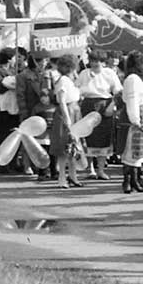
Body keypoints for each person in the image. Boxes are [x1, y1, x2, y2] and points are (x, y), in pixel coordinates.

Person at [76, 50, 122, 180]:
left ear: (103, 62)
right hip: (88, 105)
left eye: (98, 61)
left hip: (104, 104)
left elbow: (118, 91)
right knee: (88, 136)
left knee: (104, 138)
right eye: (93, 61)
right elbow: (77, 89)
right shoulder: (84, 73)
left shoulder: (109, 73)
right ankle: (91, 169)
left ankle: (101, 170)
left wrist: (112, 104)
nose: (95, 64)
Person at [120, 51, 143, 194]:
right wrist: (135, 120)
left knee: (137, 151)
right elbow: (132, 101)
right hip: (134, 117)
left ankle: (134, 179)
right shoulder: (133, 79)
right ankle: (127, 180)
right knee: (131, 150)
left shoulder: (134, 78)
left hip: (140, 115)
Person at [50, 55, 84, 189]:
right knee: (65, 146)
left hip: (74, 109)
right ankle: (62, 177)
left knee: (73, 147)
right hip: (68, 112)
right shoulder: (63, 80)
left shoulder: (69, 80)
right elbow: (62, 100)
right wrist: (67, 118)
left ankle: (73, 175)